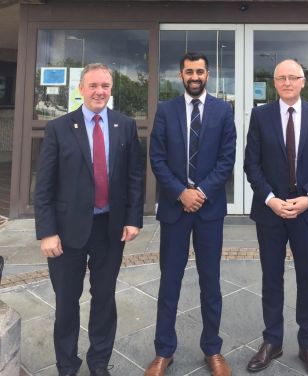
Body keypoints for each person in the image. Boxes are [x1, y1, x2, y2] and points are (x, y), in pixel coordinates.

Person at [34, 63, 144, 376]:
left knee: (104, 299)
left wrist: (133, 218)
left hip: (110, 228)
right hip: (67, 231)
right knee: (67, 302)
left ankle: (98, 362)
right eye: (93, 85)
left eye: (105, 86)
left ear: (111, 90)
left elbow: (134, 176)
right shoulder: (59, 127)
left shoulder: (124, 126)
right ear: (81, 89)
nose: (99, 91)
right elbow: (43, 185)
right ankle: (67, 365)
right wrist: (47, 232)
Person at [146, 52, 236, 376]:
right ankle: (163, 352)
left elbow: (227, 159)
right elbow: (156, 158)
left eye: (199, 71)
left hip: (209, 211)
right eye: (189, 71)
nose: (194, 76)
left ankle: (212, 349)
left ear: (208, 74)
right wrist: (179, 192)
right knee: (169, 282)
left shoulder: (223, 110)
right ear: (180, 74)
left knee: (210, 282)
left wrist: (200, 193)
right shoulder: (166, 111)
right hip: (174, 209)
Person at [244, 59, 308, 376]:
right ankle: (272, 341)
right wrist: (270, 200)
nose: (286, 82)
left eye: (292, 77)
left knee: (307, 279)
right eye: (280, 77)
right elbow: (251, 165)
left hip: (306, 213)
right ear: (274, 82)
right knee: (272, 278)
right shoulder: (260, 115)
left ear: (303, 81)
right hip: (271, 214)